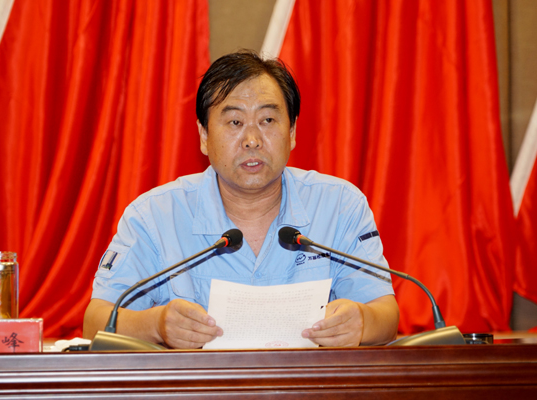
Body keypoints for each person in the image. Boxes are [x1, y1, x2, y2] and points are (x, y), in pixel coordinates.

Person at [83, 50, 399, 349]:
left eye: (268, 121)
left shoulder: (339, 206)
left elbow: (385, 314)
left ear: (292, 132)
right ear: (204, 136)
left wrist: (361, 321)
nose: (252, 140)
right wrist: (156, 324)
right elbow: (95, 322)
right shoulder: (155, 215)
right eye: (235, 122)